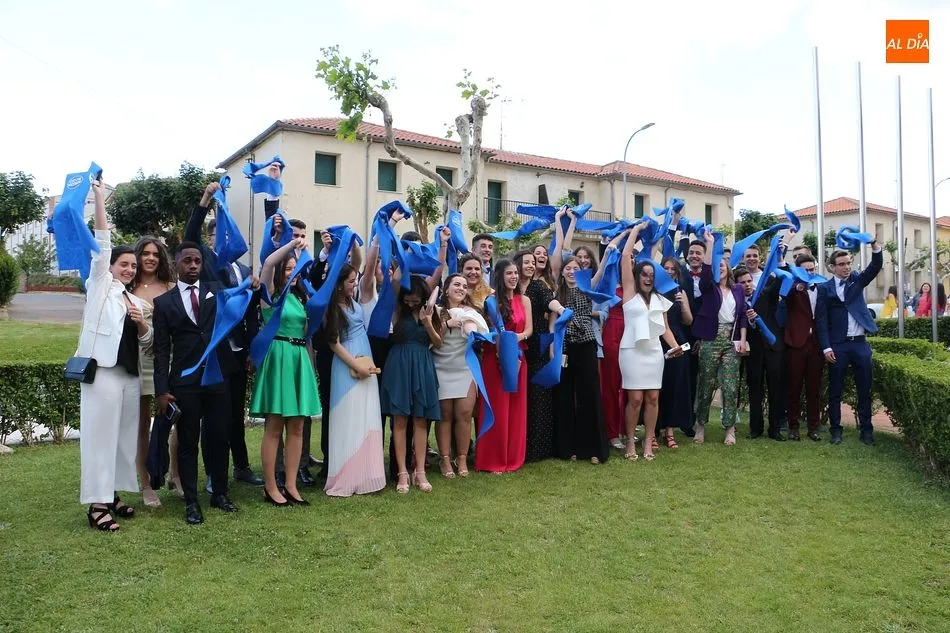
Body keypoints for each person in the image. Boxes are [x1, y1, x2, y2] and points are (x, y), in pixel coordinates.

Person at [79, 179, 152, 531]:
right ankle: (96, 504)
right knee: (100, 437)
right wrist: (97, 198)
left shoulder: (134, 300)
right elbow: (102, 241)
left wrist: (141, 325)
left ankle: (113, 494)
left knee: (124, 437)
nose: (129, 269)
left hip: (128, 375)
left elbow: (148, 339)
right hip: (102, 373)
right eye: (123, 264)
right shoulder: (100, 287)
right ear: (110, 266)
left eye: (133, 266)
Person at [153, 241, 241, 524]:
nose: (193, 266)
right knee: (187, 442)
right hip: (185, 382)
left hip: (217, 379)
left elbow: (240, 304)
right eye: (187, 261)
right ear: (176, 263)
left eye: (197, 261)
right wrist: (162, 390)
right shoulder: (163, 304)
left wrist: (252, 285)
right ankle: (191, 501)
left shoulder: (216, 294)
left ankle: (220, 493)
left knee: (218, 438)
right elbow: (162, 350)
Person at [184, 182, 264, 489]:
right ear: (210, 238)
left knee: (234, 415)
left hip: (238, 352)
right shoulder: (204, 263)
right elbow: (189, 237)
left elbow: (253, 313)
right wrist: (205, 200)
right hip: (213, 352)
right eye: (220, 234)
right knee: (214, 418)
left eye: (230, 234)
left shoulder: (244, 270)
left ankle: (241, 466)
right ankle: (213, 473)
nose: (225, 238)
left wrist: (252, 351)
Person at [250, 237, 321, 506]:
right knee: (274, 425)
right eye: (289, 268)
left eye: (295, 268)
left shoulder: (302, 297)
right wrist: (291, 245)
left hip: (299, 357)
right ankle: (270, 486)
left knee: (298, 426)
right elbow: (268, 263)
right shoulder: (271, 296)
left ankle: (291, 484)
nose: (293, 272)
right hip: (278, 356)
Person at [323, 241, 387, 496]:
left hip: (366, 359)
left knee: (367, 416)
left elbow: (359, 263)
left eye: (355, 280)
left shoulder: (354, 302)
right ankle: (346, 476)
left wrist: (359, 243)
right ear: (339, 283)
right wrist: (356, 366)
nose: (354, 284)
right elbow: (333, 343)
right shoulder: (333, 308)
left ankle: (369, 474)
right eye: (350, 281)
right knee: (348, 417)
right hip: (347, 364)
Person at [615, 227, 683, 461]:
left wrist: (675, 347)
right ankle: (630, 443)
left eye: (651, 275)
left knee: (653, 398)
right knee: (635, 399)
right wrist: (636, 230)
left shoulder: (659, 299)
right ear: (637, 276)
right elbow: (625, 257)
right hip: (631, 351)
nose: (648, 278)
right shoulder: (629, 293)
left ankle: (648, 442)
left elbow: (665, 329)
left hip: (654, 353)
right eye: (644, 274)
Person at [379, 274, 443, 493]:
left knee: (420, 419)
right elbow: (395, 284)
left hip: (423, 364)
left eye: (415, 298)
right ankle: (402, 473)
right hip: (399, 364)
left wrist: (426, 322)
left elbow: (438, 342)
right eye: (408, 298)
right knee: (399, 420)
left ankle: (420, 472)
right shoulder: (397, 309)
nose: (411, 302)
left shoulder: (432, 311)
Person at [815, 242, 883, 445]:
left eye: (848, 263)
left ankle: (866, 431)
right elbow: (820, 320)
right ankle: (836, 430)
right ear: (833, 267)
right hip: (838, 346)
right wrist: (826, 347)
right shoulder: (824, 288)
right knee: (835, 390)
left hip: (860, 344)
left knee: (865, 389)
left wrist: (876, 247)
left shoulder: (857, 281)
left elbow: (875, 267)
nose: (846, 267)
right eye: (841, 264)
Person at [129, 236, 177, 508]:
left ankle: (176, 475)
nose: (150, 258)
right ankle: (146, 483)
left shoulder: (170, 287)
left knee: (175, 416)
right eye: (145, 253)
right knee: (141, 425)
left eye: (155, 254)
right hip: (136, 359)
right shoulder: (127, 286)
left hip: (167, 359)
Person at [692, 232, 748, 445]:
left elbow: (742, 315)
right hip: (710, 338)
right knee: (706, 383)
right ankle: (701, 426)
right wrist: (710, 244)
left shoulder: (739, 289)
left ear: (729, 269)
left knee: (730, 385)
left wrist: (742, 339)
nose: (720, 267)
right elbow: (705, 274)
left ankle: (730, 428)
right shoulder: (708, 288)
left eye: (724, 265)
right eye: (717, 266)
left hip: (732, 340)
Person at [552, 255, 609, 464]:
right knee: (565, 396)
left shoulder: (587, 286)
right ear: (562, 271)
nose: (571, 271)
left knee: (590, 395)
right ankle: (569, 448)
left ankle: (594, 449)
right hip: (565, 346)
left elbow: (601, 271)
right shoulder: (557, 291)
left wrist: (611, 248)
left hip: (586, 344)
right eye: (568, 268)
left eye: (575, 268)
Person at [477, 258, 532, 473]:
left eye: (516, 273)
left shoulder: (524, 300)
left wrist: (512, 339)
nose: (514, 277)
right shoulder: (491, 301)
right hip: (495, 358)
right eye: (509, 273)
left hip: (518, 357)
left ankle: (512, 457)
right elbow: (489, 330)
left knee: (516, 409)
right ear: (500, 276)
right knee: (498, 407)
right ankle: (493, 459)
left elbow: (529, 331)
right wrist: (503, 345)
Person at [432, 273, 489, 477]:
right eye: (456, 284)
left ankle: (462, 457)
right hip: (441, 366)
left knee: (464, 414)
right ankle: (445, 459)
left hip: (464, 368)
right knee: (445, 414)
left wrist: (469, 326)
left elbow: (475, 331)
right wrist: (447, 324)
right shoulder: (436, 311)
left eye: (464, 286)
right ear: (446, 288)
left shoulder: (471, 312)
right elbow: (430, 338)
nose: (461, 288)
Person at [514, 250, 566, 462]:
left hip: (538, 343)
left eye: (532, 263)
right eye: (526, 262)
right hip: (517, 343)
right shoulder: (513, 286)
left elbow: (550, 302)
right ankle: (519, 445)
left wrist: (561, 308)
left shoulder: (538, 287)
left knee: (539, 397)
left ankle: (538, 448)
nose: (530, 265)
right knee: (521, 396)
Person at [777, 253, 823, 441]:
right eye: (805, 270)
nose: (809, 273)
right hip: (796, 343)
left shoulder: (822, 287)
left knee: (814, 388)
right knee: (793, 387)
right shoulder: (792, 288)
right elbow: (783, 295)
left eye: (812, 269)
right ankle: (793, 426)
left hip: (817, 345)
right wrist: (795, 285)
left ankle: (814, 427)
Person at [738, 263, 787, 441]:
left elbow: (780, 279)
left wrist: (780, 260)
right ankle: (755, 428)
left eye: (749, 281)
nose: (747, 284)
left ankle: (775, 429)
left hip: (774, 349)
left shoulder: (766, 294)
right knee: (755, 391)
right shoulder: (737, 304)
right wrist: (750, 322)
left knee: (775, 390)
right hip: (754, 352)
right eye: (743, 282)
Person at [657, 256, 694, 447]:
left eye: (673, 269)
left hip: (678, 340)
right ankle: (654, 429)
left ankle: (670, 430)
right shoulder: (654, 291)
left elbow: (688, 321)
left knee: (675, 386)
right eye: (666, 268)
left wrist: (684, 303)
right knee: (657, 386)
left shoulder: (680, 291)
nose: (670, 271)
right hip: (657, 340)